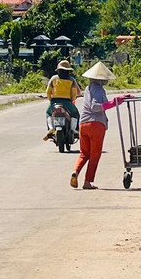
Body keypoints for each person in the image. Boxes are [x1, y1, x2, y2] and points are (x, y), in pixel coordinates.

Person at [71, 61, 130, 189]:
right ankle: (87, 182)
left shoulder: (88, 88)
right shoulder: (98, 89)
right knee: (95, 154)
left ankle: (76, 171)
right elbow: (96, 107)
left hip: (83, 124)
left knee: (84, 153)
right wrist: (116, 102)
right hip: (96, 124)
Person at [43, 59, 82, 140]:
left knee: (48, 113)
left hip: (54, 101)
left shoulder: (54, 78)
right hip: (67, 102)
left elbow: (48, 91)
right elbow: (74, 93)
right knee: (75, 114)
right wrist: (71, 100)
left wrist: (50, 99)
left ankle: (50, 128)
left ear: (58, 70)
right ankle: (73, 129)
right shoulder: (71, 80)